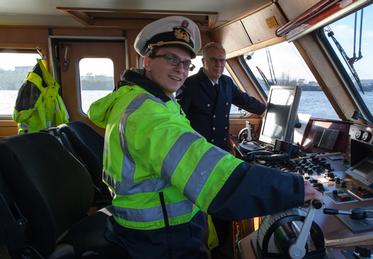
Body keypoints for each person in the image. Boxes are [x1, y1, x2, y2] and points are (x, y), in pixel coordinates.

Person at [88, 16, 322, 259]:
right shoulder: (148, 115)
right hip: (159, 237)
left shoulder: (144, 99)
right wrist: (293, 188)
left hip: (151, 224)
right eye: (171, 59)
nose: (180, 70)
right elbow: (212, 178)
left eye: (186, 63)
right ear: (147, 61)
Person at [176, 42, 266, 151]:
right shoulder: (190, 84)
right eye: (213, 60)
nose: (218, 64)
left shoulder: (227, 82)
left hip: (221, 147)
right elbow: (178, 119)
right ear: (204, 61)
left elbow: (245, 101)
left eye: (222, 60)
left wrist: (268, 111)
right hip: (199, 149)